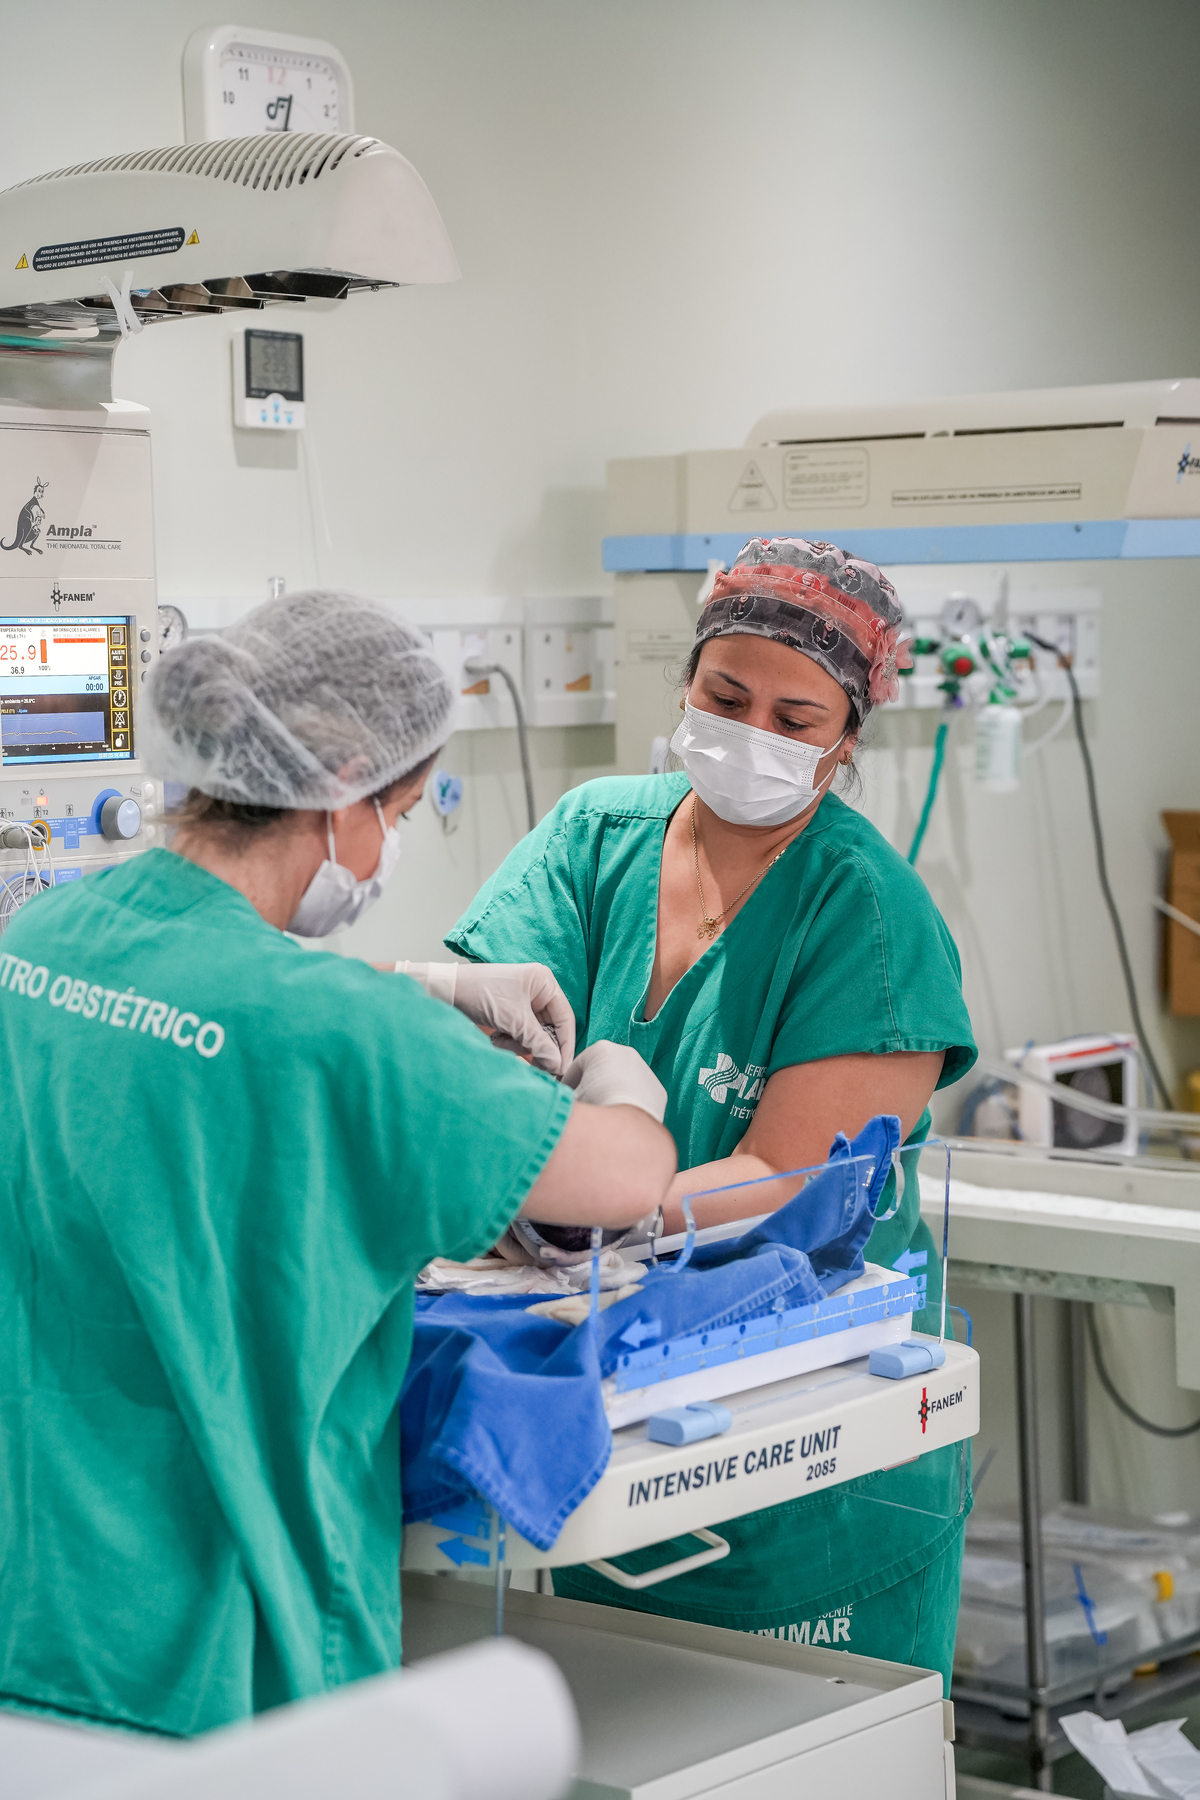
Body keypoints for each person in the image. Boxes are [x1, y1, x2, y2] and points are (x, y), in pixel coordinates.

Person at [0, 591, 676, 1738]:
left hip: (39, 1607)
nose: (387, 850)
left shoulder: (42, 941)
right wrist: (619, 1079)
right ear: (345, 794)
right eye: (401, 814)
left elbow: (209, 1014)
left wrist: (420, 987)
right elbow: (624, 1179)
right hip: (221, 1654)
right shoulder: (347, 1037)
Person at [447, 537, 978, 1688]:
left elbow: (783, 1182)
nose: (751, 735)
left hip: (809, 1448)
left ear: (847, 737)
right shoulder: (594, 838)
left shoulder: (867, 915)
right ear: (687, 682)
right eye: (726, 699)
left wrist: (582, 1212)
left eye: (795, 718)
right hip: (616, 1408)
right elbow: (477, 1080)